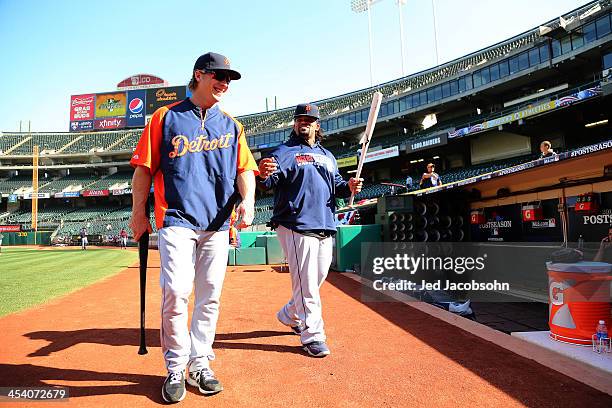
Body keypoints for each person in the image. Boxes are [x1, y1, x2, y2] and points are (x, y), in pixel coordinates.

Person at [129, 52, 258, 403]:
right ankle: (175, 366)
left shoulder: (232, 125)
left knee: (210, 295)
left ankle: (200, 363)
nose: (225, 83)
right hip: (176, 219)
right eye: (219, 76)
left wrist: (247, 201)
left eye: (229, 79)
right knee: (176, 292)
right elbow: (143, 169)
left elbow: (245, 170)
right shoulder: (165, 117)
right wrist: (138, 213)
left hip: (217, 223)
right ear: (199, 75)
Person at [258, 103, 363, 358]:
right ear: (295, 123)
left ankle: (289, 314)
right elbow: (268, 180)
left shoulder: (328, 155)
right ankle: (312, 335)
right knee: (306, 285)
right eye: (299, 119)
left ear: (317, 124)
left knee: (314, 281)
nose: (303, 122)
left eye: (308, 119)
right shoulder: (283, 151)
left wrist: (349, 185)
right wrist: (263, 173)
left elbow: (336, 185)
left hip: (325, 223)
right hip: (295, 223)